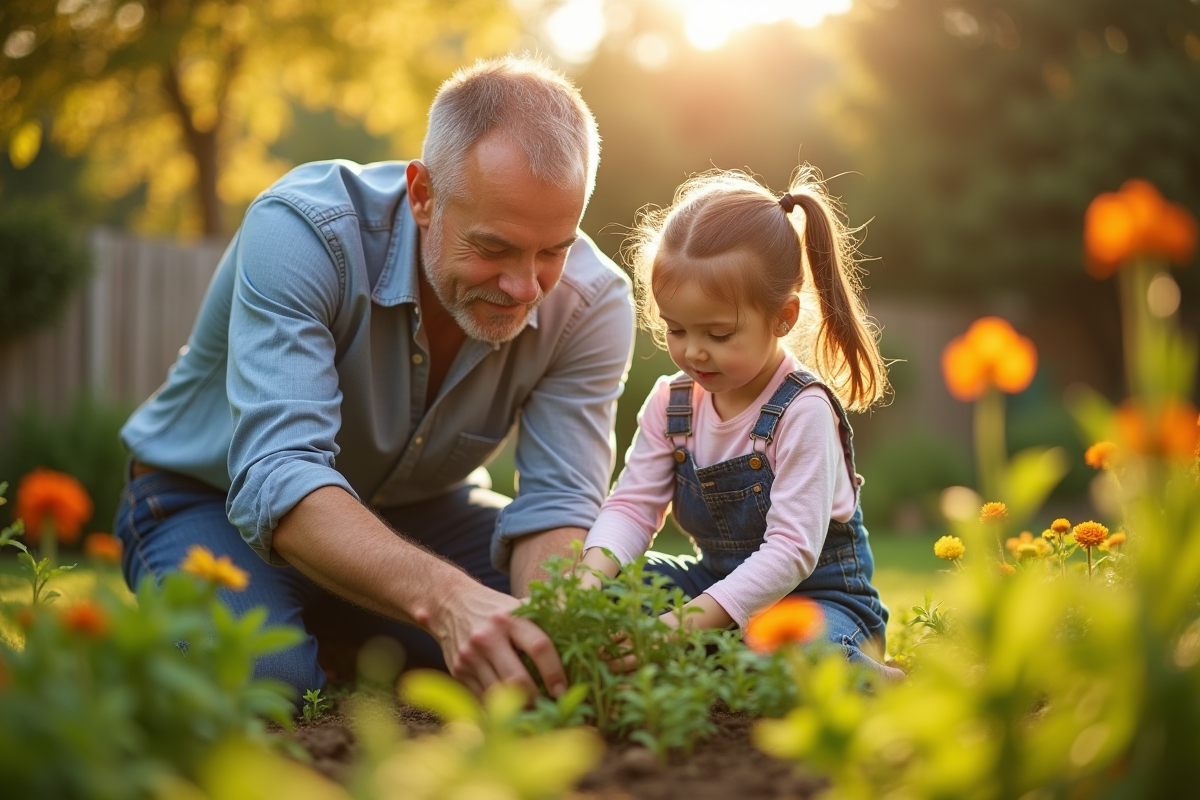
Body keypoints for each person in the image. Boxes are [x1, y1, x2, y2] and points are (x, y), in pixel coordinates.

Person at [114, 56, 635, 701]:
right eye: (493, 248)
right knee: (261, 682)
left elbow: (558, 504)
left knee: (620, 625)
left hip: (421, 516)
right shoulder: (303, 233)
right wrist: (446, 600)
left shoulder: (594, 302)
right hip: (205, 499)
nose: (525, 287)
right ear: (423, 195)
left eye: (552, 250)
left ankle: (345, 626)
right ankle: (345, 629)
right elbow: (278, 473)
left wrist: (552, 629)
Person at [577, 167, 902, 679]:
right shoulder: (672, 402)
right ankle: (714, 664)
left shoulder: (802, 412)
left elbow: (791, 553)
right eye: (676, 329)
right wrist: (588, 586)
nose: (693, 351)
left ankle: (883, 688)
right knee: (613, 602)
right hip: (714, 592)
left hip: (818, 603)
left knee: (786, 652)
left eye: (719, 333)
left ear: (783, 318)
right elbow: (633, 506)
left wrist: (675, 627)